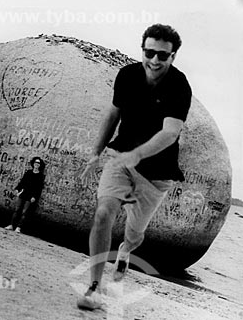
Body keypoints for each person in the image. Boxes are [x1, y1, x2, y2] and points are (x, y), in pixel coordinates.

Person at [77, 24, 192, 310]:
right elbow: (113, 113)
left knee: (134, 233)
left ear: (173, 56)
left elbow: (171, 132)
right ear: (143, 50)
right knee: (103, 213)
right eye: (149, 52)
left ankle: (125, 251)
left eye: (162, 55)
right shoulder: (127, 75)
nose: (155, 60)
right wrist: (96, 152)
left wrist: (138, 155)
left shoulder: (179, 86)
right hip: (120, 157)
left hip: (156, 174)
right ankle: (94, 287)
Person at [5, 156, 46, 233]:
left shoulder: (40, 176)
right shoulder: (28, 172)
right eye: (36, 162)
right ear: (33, 163)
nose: (37, 164)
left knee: (25, 212)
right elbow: (22, 182)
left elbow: (39, 188)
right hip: (23, 193)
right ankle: (11, 225)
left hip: (31, 196)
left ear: (40, 165)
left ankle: (18, 227)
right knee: (17, 210)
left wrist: (35, 197)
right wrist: (17, 189)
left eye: (38, 163)